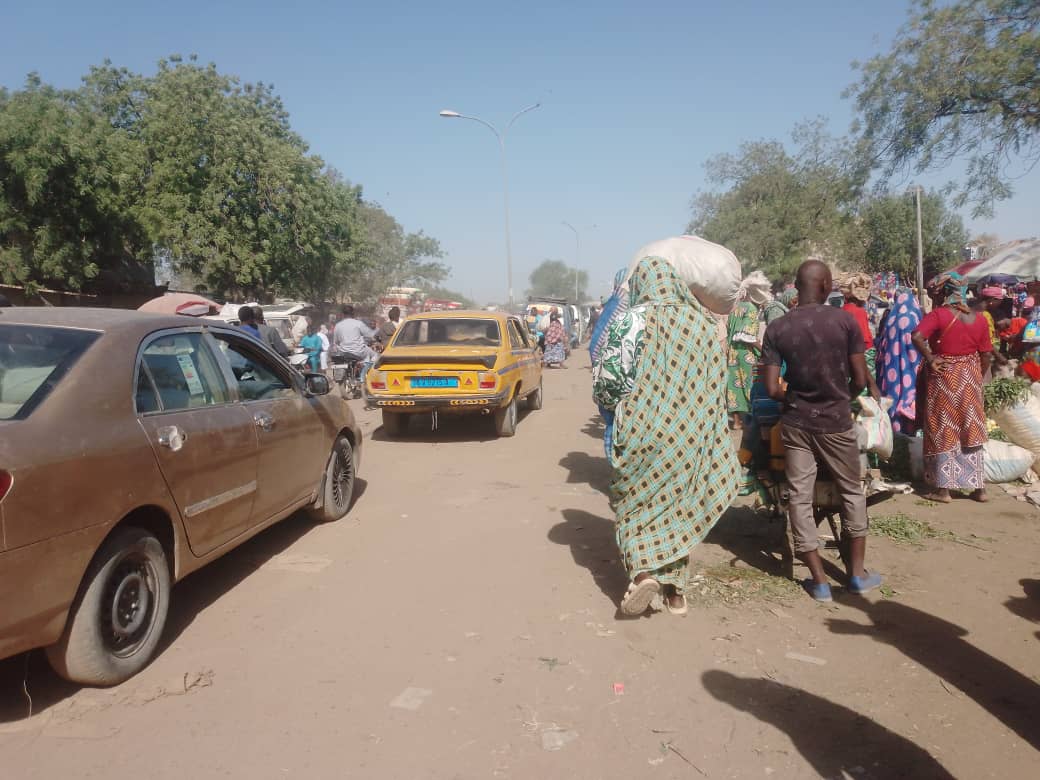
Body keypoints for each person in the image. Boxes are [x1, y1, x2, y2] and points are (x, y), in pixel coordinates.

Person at [592, 254, 738, 616]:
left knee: (636, 507)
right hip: (689, 434)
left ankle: (643, 575)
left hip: (644, 429)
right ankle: (676, 594)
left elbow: (609, 381)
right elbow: (719, 381)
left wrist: (613, 408)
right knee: (678, 507)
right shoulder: (704, 323)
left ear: (642, 285)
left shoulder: (631, 320)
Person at [762, 260, 882, 603]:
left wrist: (799, 395)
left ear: (797, 286)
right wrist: (839, 397)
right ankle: (856, 575)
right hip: (836, 422)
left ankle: (819, 581)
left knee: (799, 497)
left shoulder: (778, 328)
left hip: (796, 423)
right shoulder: (845, 321)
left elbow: (772, 389)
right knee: (851, 492)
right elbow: (860, 380)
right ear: (827, 284)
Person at [911, 272, 992, 504]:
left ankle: (943, 490)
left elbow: (916, 336)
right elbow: (986, 354)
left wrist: (930, 357)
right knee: (971, 427)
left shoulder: (939, 314)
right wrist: (975, 375)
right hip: (970, 377)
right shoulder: (979, 318)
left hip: (944, 375)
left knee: (943, 426)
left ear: (944, 293)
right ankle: (979, 489)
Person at [590, 268, 631, 460]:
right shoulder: (623, 306)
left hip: (613, 378)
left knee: (615, 424)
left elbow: (595, 347)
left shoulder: (615, 305)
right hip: (620, 378)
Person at [726, 272, 772, 430]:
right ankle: (749, 421)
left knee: (733, 385)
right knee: (749, 385)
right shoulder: (751, 309)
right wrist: (765, 351)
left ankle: (736, 421)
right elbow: (747, 336)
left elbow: (731, 332)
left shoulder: (735, 308)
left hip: (732, 352)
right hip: (746, 354)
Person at [874, 289, 923, 434]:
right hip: (911, 368)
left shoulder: (891, 320)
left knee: (894, 399)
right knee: (910, 398)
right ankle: (912, 436)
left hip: (891, 369)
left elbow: (881, 347)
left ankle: (896, 437)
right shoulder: (913, 317)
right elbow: (917, 346)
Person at [838, 273, 882, 401]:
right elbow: (860, 348)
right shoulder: (858, 312)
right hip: (862, 364)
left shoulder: (842, 310)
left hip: (846, 364)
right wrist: (871, 383)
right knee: (863, 402)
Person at [331, 304, 378, 380]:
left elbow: (336, 341)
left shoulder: (338, 325)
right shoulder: (358, 323)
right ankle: (365, 372)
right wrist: (374, 339)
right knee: (375, 355)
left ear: (342, 314)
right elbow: (370, 335)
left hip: (343, 352)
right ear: (353, 313)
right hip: (358, 351)